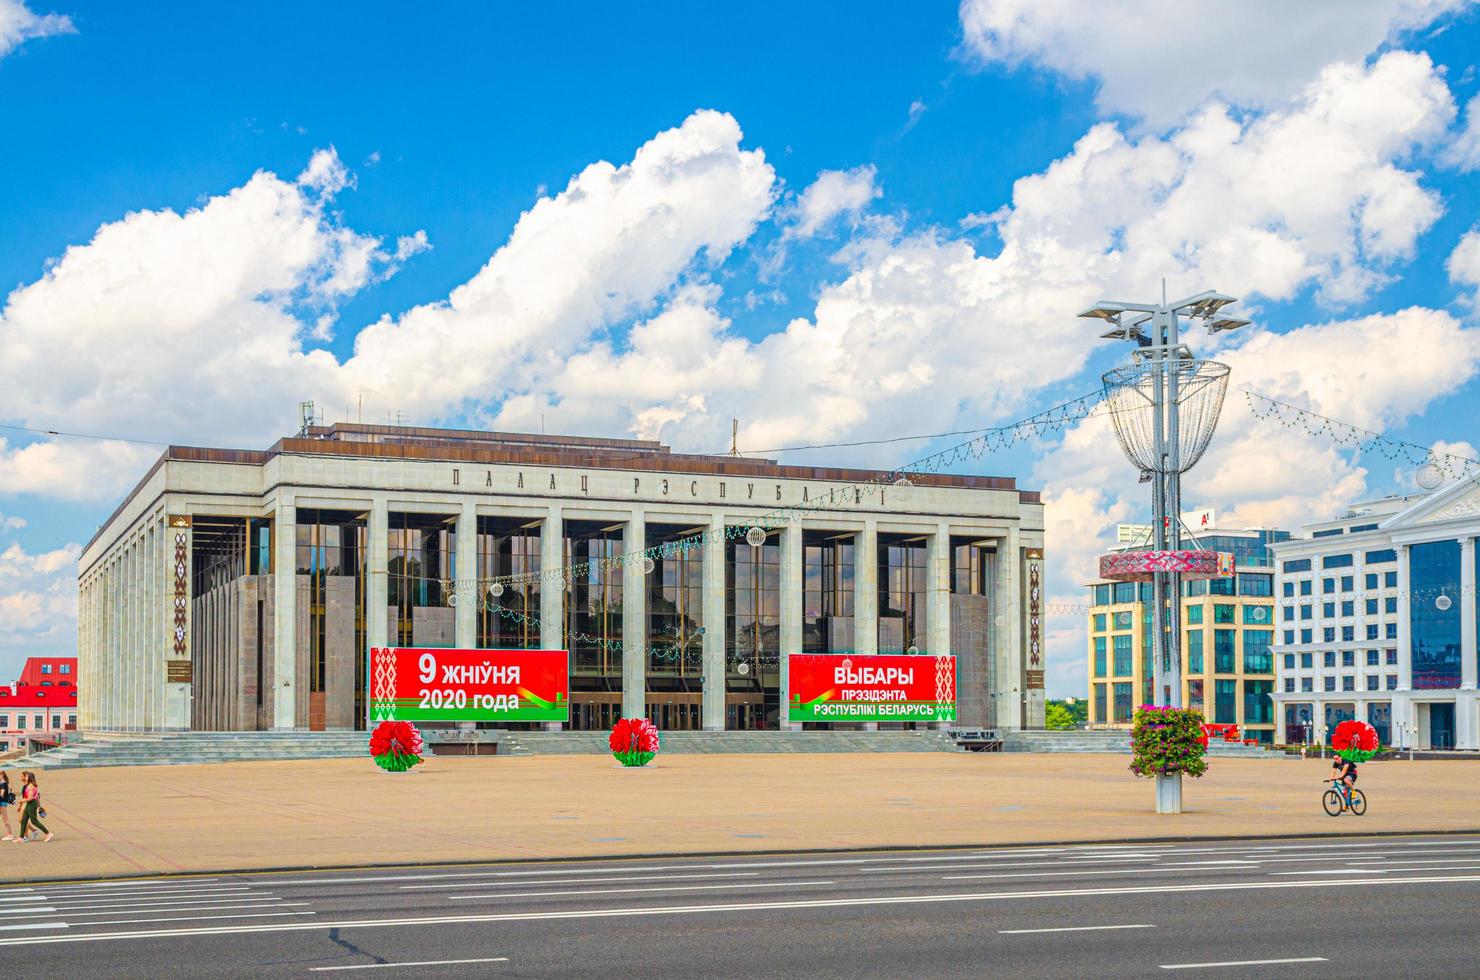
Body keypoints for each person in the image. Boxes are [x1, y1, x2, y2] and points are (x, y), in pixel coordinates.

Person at [15, 772, 51, 843]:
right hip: (29, 804)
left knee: (34, 821)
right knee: (24, 820)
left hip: (32, 804)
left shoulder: (30, 786)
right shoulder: (30, 785)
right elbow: (37, 797)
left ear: (30, 778)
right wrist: (39, 806)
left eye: (27, 776)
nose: (26, 777)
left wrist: (22, 801)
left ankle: (48, 833)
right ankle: (21, 837)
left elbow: (31, 798)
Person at [0, 773, 14, 841]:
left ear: (2, 775)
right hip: (2, 802)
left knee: (5, 819)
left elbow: (2, 794)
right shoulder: (4, 783)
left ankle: (10, 835)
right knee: (5, 819)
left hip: (2, 803)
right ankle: (9, 834)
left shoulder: (3, 783)